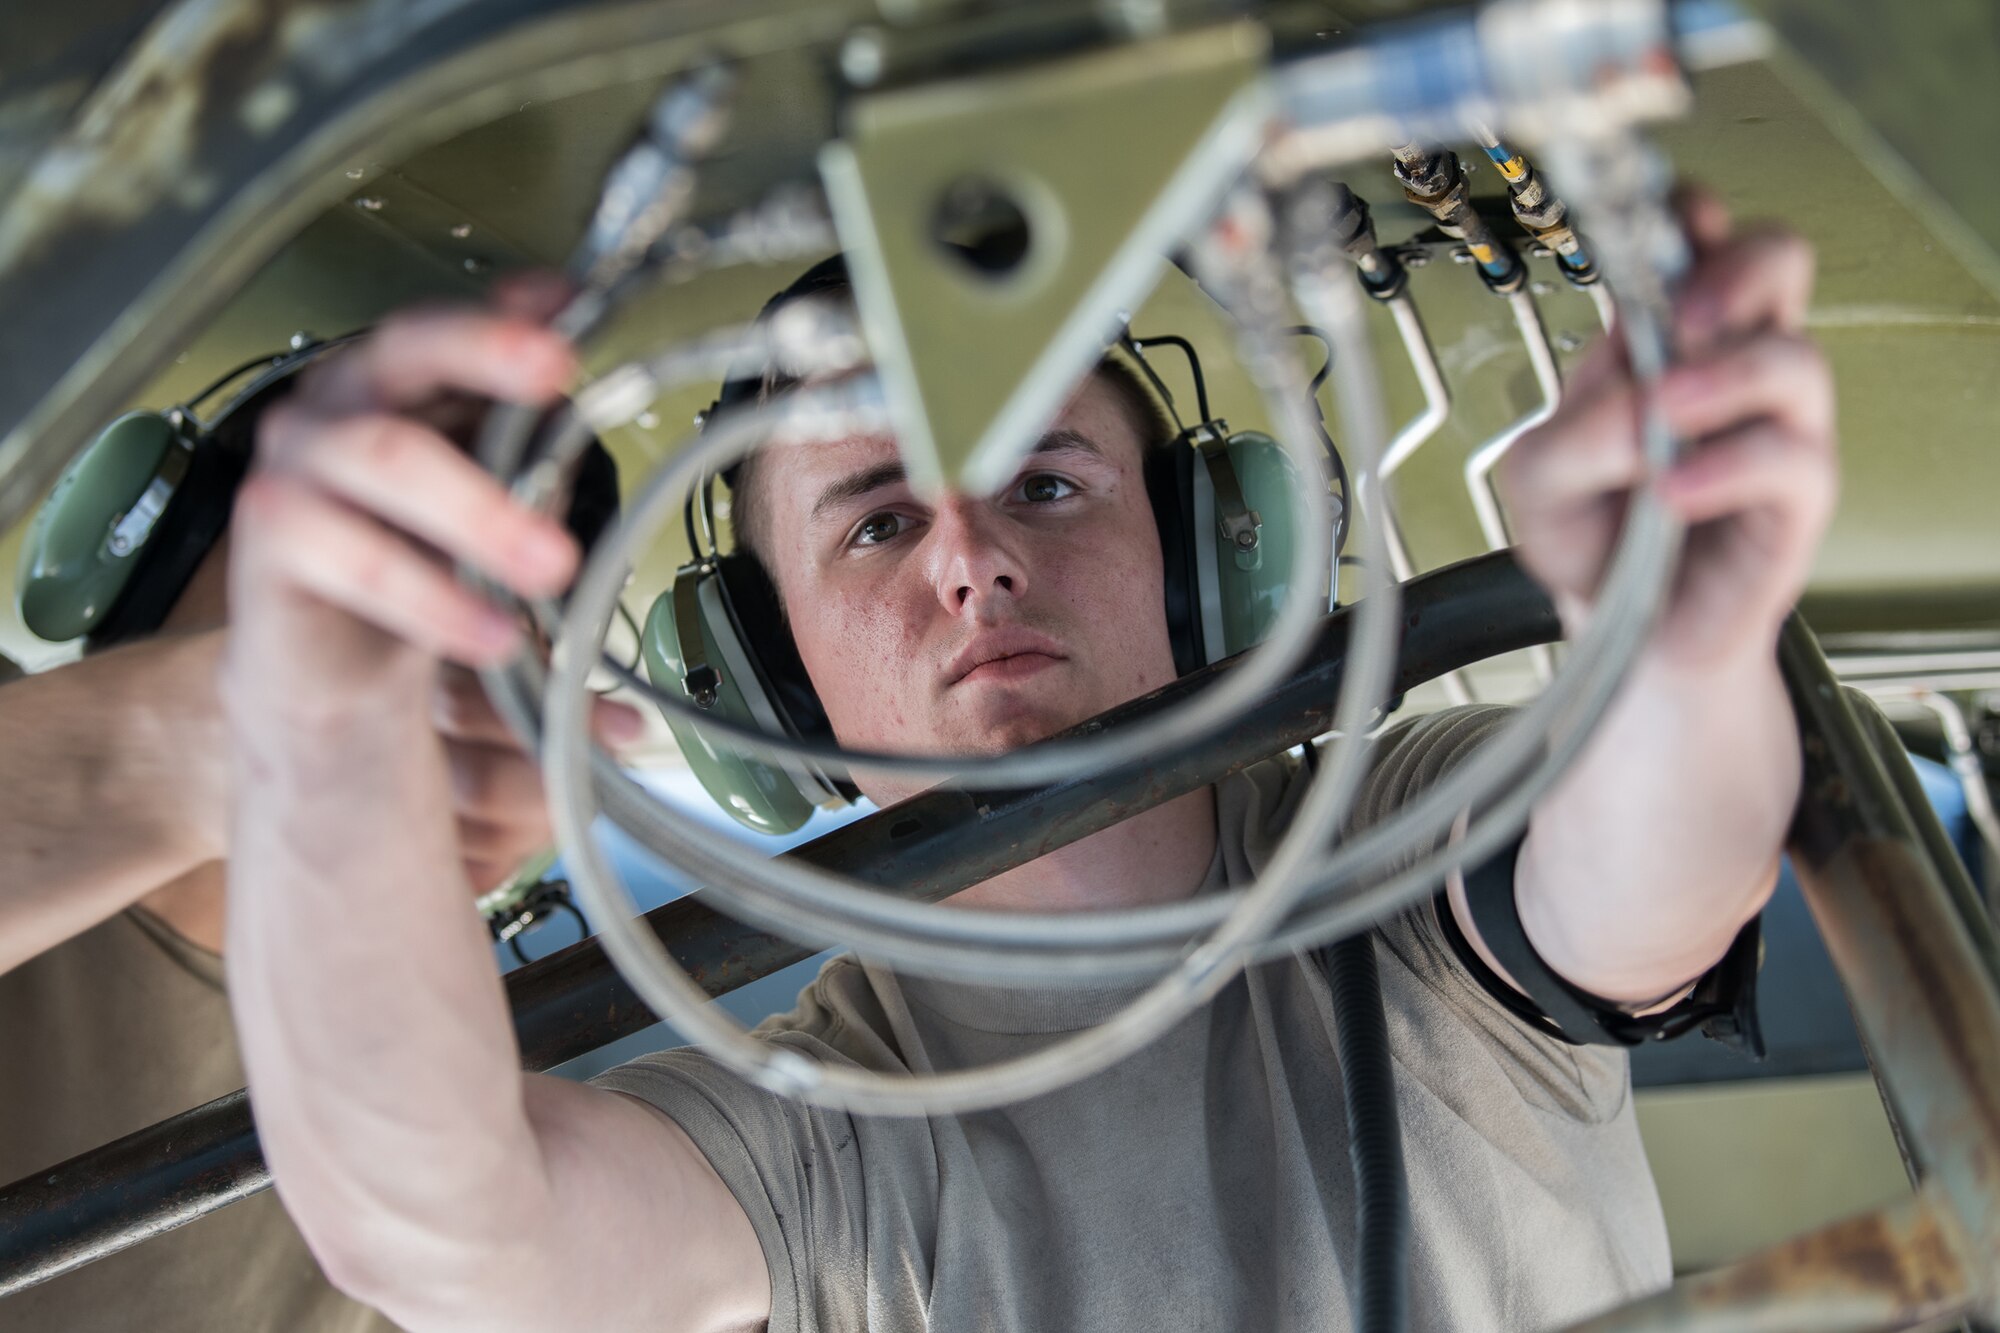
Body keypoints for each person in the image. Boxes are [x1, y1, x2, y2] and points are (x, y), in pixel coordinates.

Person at [217, 193, 1834, 1331]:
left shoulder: (1389, 842)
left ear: (1205, 556)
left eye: (1048, 482)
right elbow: (459, 1242)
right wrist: (315, 743)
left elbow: (1650, 869)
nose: (974, 559)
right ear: (771, 679)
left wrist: (1686, 642)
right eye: (878, 522)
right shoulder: (830, 1133)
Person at [0, 292, 630, 1330]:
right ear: (162, 546)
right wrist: (215, 739)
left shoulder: (478, 1124)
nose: (393, 611)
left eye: (477, 581)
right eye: (367, 528)